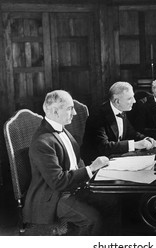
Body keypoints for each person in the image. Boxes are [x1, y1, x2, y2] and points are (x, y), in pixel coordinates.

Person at [23, 90, 118, 235]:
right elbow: (58, 182)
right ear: (55, 111)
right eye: (70, 108)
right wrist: (91, 168)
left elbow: (77, 161)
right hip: (54, 196)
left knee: (113, 202)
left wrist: (95, 174)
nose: (74, 113)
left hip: (74, 187)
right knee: (92, 220)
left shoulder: (63, 130)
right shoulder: (42, 142)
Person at [81, 81, 156, 164]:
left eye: (133, 97)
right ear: (117, 101)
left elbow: (131, 133)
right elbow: (104, 147)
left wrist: (145, 139)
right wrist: (135, 145)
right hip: (97, 163)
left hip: (115, 158)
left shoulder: (121, 109)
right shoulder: (98, 116)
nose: (134, 101)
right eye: (129, 98)